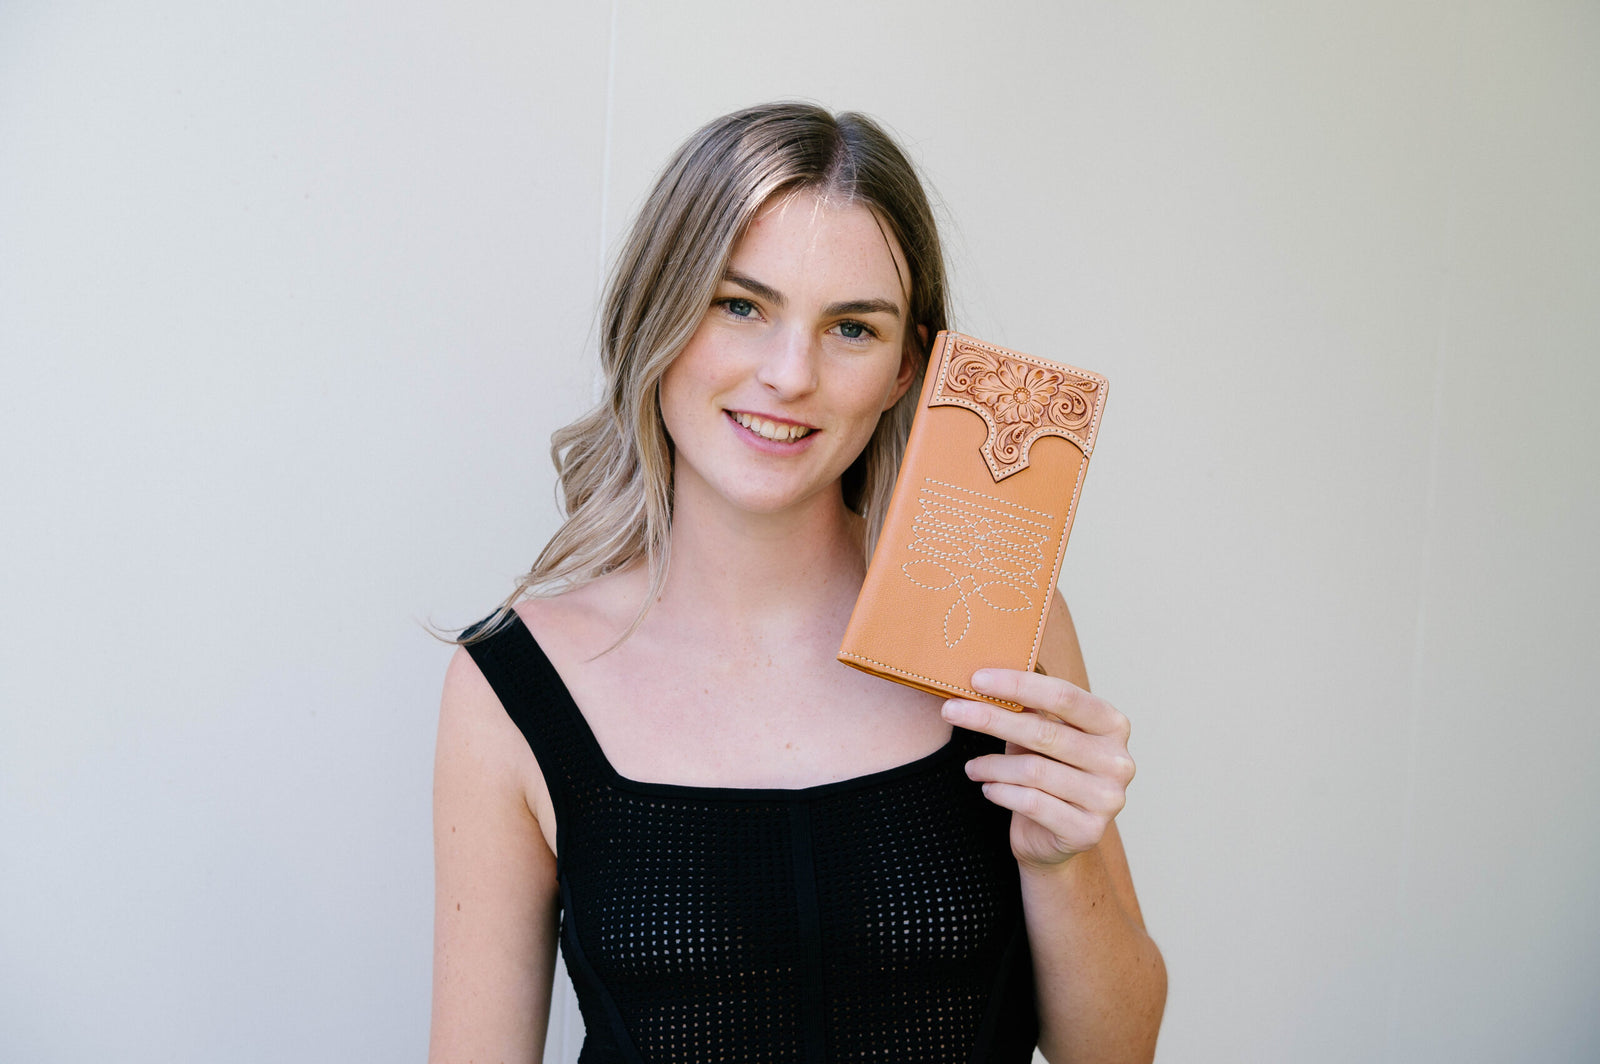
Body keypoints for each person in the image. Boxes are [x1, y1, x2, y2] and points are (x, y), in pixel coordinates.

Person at [428, 102, 1166, 1064]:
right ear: (661, 315)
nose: (789, 375)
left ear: (909, 370)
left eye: (851, 329)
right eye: (740, 306)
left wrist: (1064, 862)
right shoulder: (512, 688)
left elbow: (1115, 1052)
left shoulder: (999, 633)